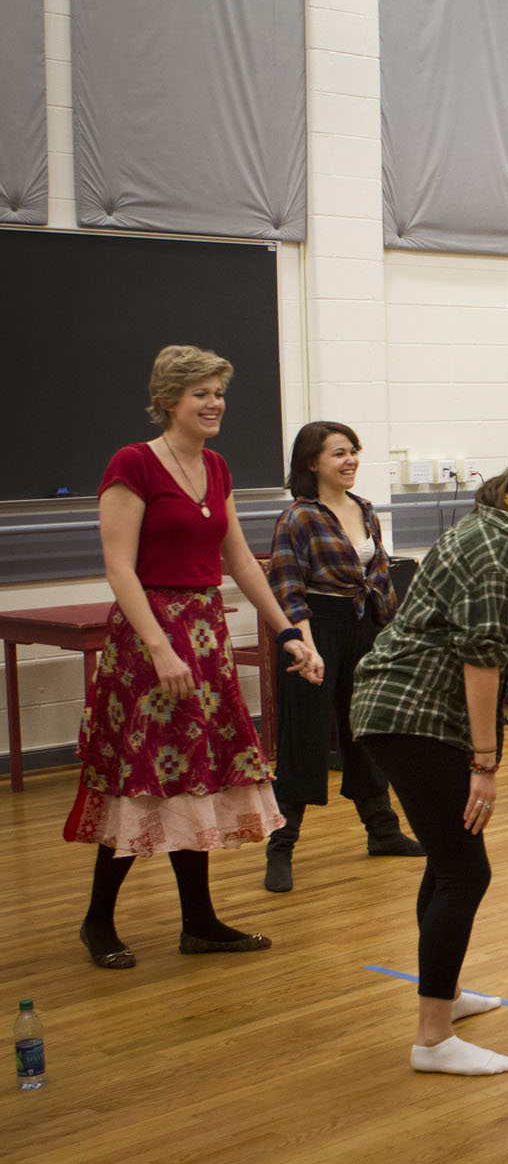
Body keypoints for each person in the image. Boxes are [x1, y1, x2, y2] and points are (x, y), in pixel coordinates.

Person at [350, 424, 508, 1075]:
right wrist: (486, 764)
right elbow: (481, 656)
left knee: (447, 859)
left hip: (408, 707)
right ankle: (432, 1039)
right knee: (467, 870)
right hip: (410, 709)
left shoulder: (507, 529)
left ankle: (446, 997)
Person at [65, 345, 324, 969]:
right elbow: (119, 568)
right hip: (149, 639)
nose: (214, 404)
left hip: (203, 635)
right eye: (200, 394)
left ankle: (200, 921)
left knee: (196, 774)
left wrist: (288, 632)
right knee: (145, 777)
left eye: (218, 392)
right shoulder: (133, 465)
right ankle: (98, 920)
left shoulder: (216, 467)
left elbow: (238, 561)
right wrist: (159, 648)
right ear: (166, 402)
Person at [262, 421, 423, 893]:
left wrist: (394, 640)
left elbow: (379, 580)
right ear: (312, 462)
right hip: (314, 631)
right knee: (303, 741)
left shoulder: (365, 509)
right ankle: (281, 845)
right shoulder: (298, 517)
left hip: (363, 630)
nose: (350, 460)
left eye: (353, 451)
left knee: (369, 733)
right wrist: (307, 647)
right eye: (338, 453)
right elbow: (288, 588)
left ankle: (384, 832)